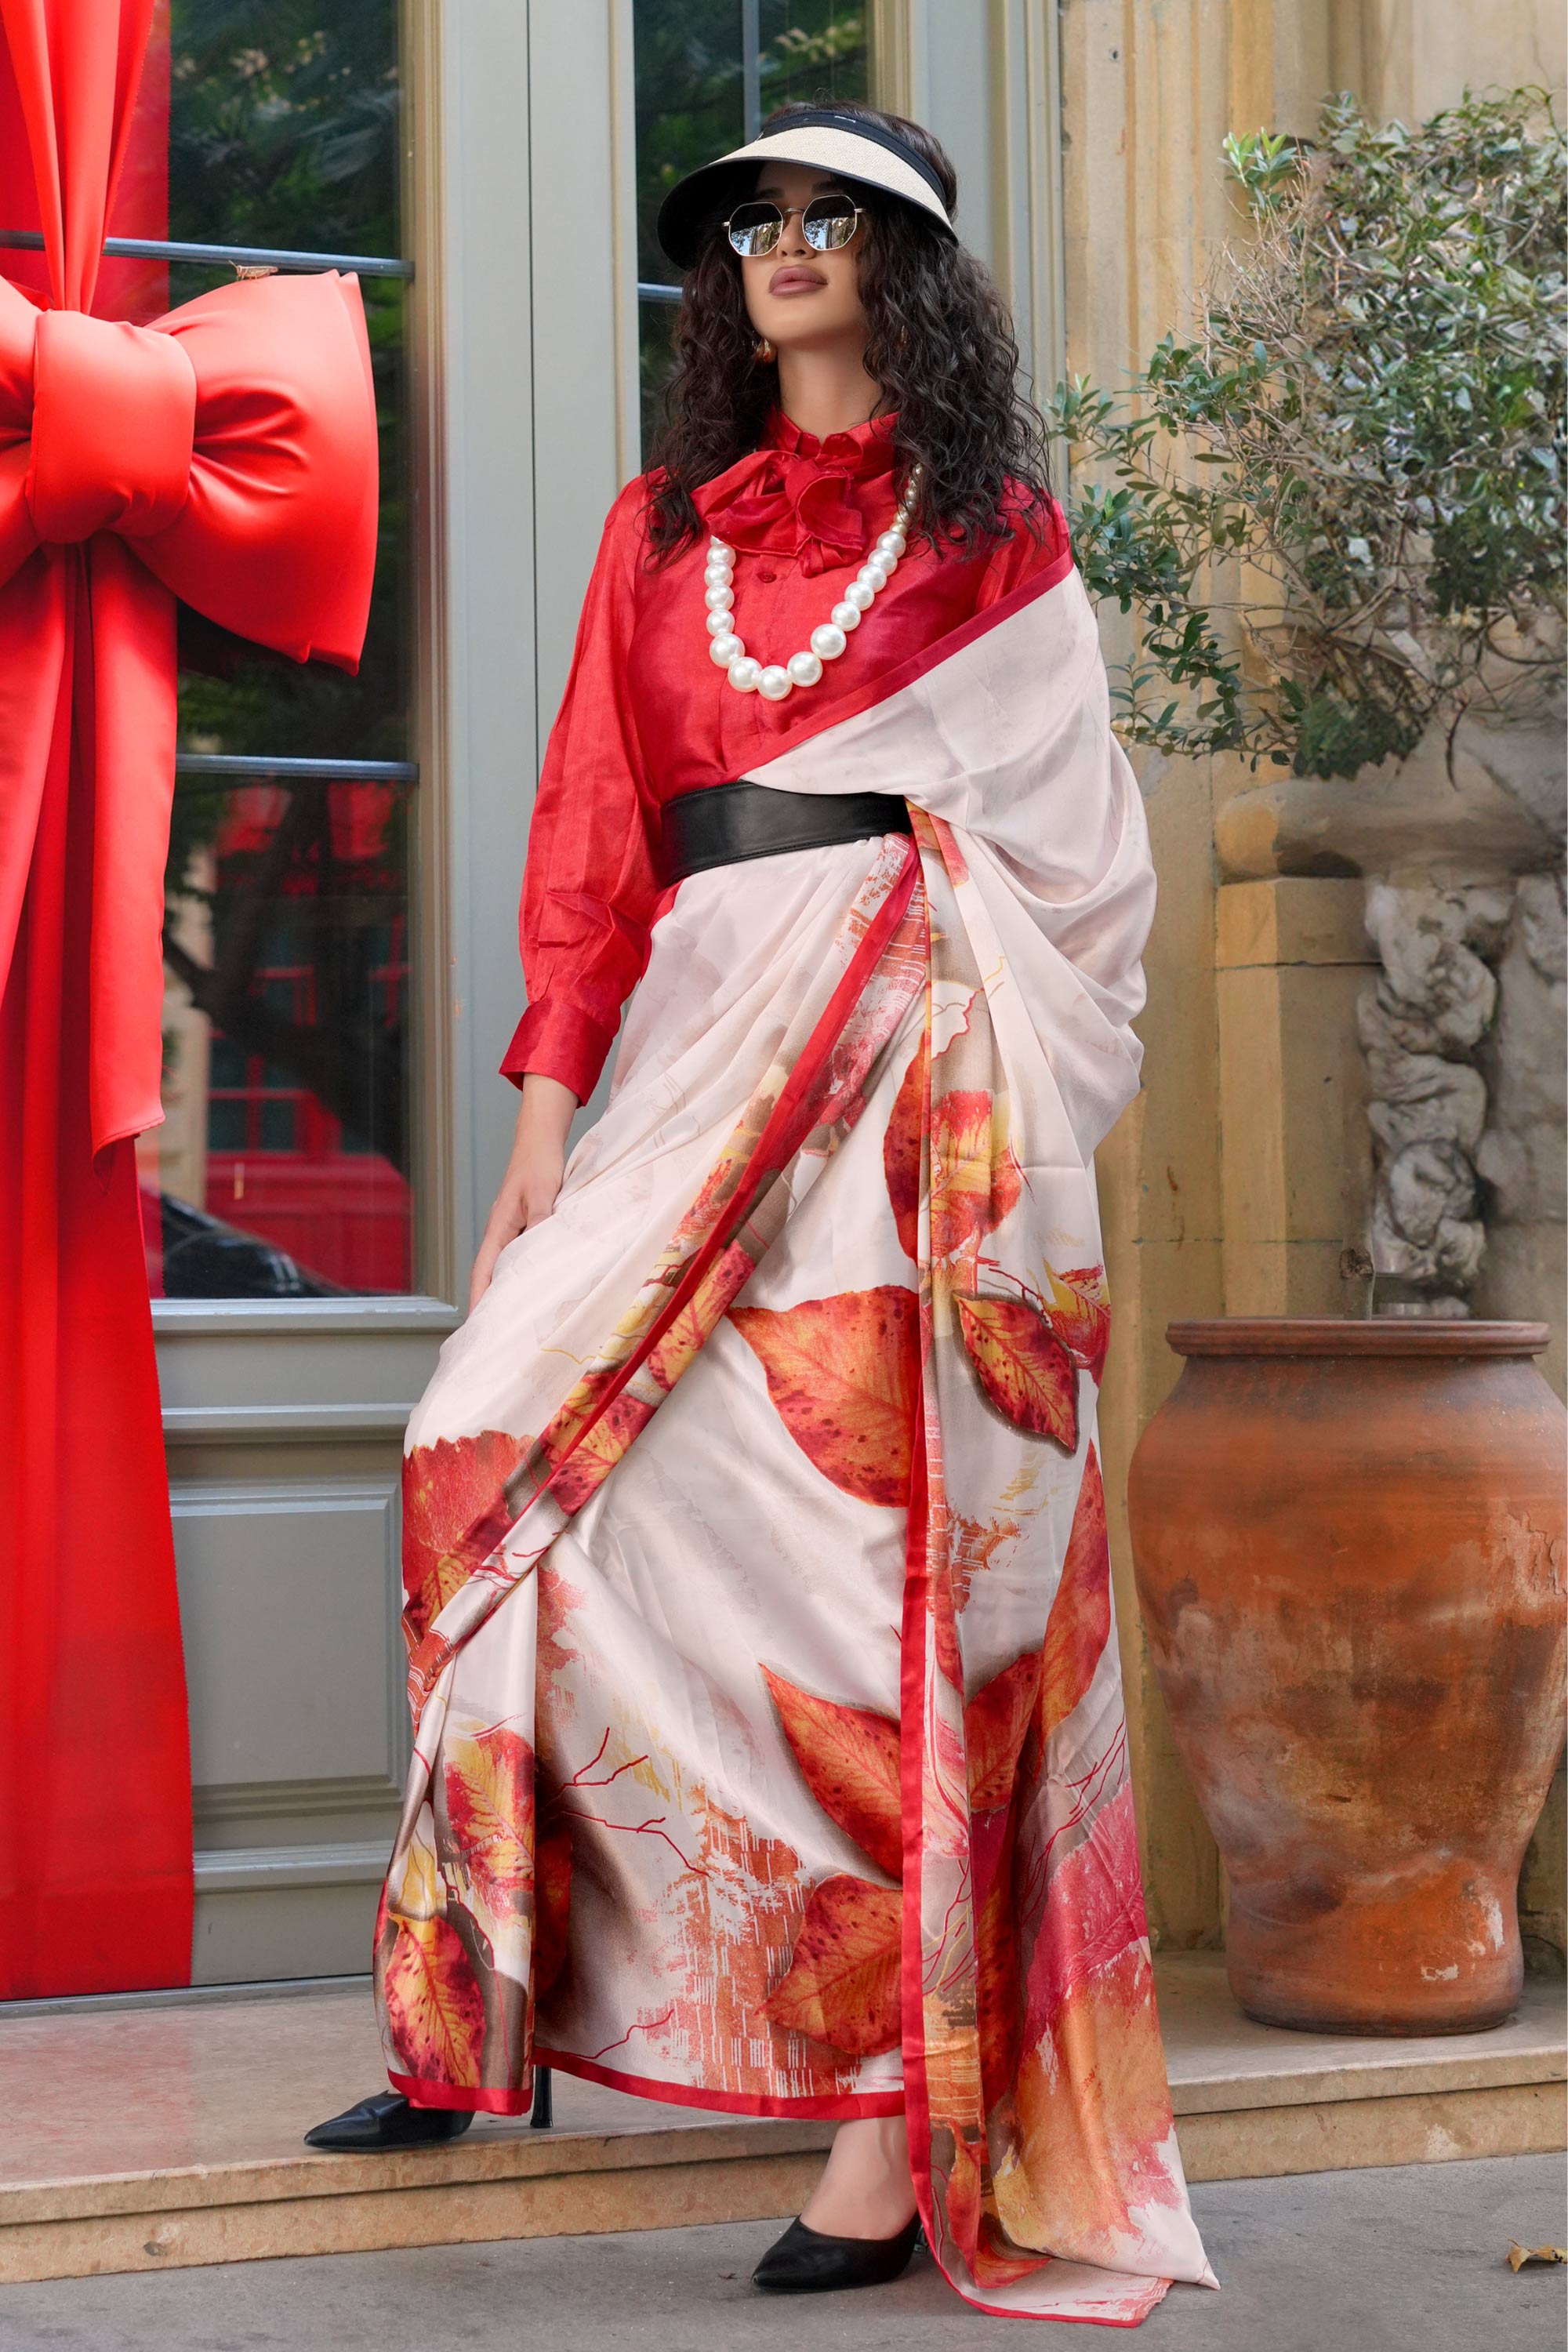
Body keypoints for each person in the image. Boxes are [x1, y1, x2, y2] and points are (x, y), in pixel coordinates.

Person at [308, 102, 1214, 2322]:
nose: (784, 246)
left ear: (906, 260)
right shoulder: (663, 533)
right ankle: (479, 1995)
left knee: (860, 1582)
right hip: (695, 1045)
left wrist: (947, 1037)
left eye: (832, 216)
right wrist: (547, 1114)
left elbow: (1081, 859)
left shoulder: (993, 531)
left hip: (908, 1074)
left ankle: (884, 2134)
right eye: (753, 223)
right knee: (485, 1447)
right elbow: (592, 836)